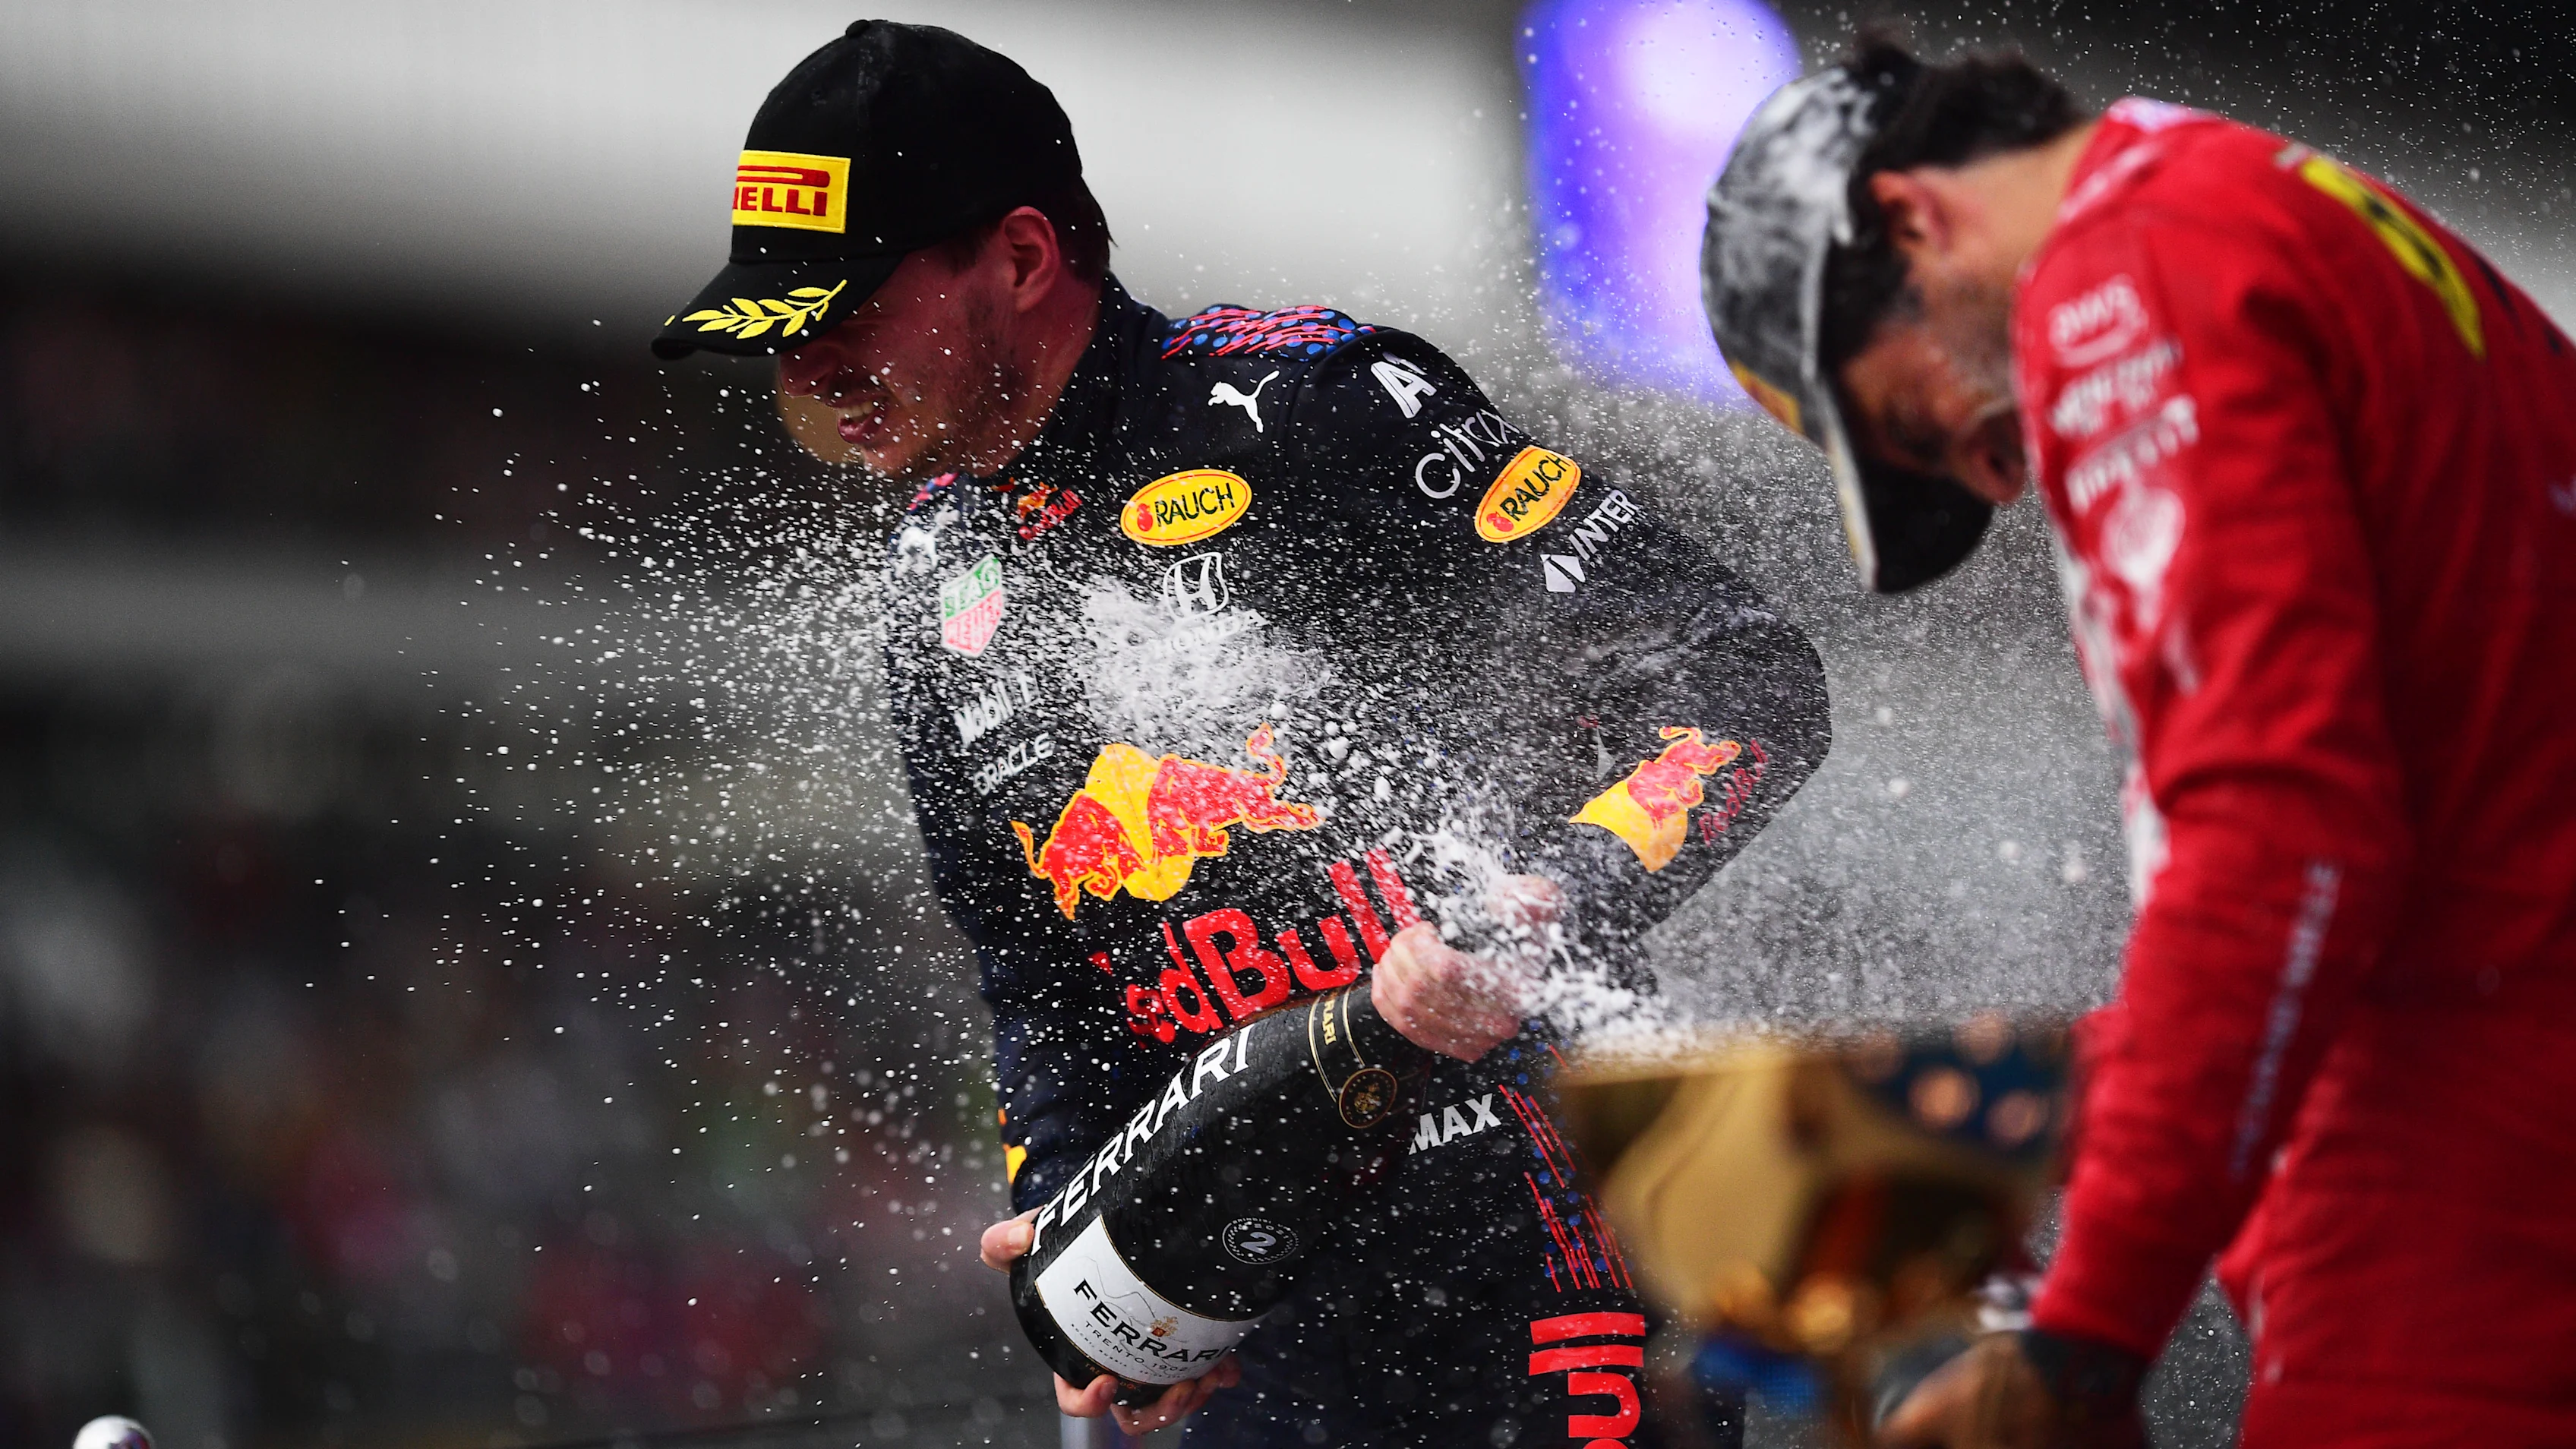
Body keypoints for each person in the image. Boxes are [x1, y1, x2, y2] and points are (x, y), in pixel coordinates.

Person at [653, 21, 1833, 1447]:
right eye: (783, 327)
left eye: (841, 308)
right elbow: (1040, 989)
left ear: (1022, 259)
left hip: (1529, 1252)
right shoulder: (928, 586)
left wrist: (1539, 907)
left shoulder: (1314, 412)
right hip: (1244, 1313)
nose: (809, 359)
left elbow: (1746, 679)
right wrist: (1080, 1240)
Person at [1700, 34, 2576, 1449]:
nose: (1994, 477)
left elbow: (2281, 848)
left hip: (2466, 1232)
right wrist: (2009, 1111)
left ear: (1915, 221)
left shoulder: (2127, 276)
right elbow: (2447, 840)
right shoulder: (2252, 210)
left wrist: (2084, 1341)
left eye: (1902, 425)